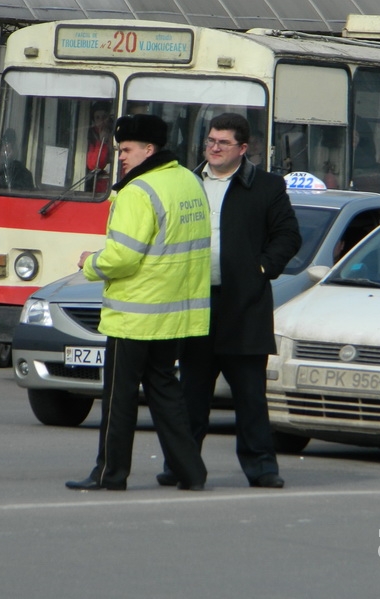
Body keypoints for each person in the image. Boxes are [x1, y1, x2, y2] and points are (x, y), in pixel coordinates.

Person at [65, 114, 211, 492]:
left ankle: (109, 474)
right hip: (175, 313)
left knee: (119, 399)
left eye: (127, 150)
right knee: (166, 392)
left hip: (135, 314)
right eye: (119, 150)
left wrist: (89, 262)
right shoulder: (190, 182)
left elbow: (123, 257)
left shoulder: (138, 190)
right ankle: (191, 471)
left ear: (149, 149)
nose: (121, 158)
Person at [158, 112, 301, 490]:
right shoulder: (187, 183)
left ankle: (261, 467)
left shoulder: (267, 187)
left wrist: (260, 269)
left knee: (250, 395)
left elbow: (288, 236)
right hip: (195, 302)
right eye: (210, 141)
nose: (214, 148)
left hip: (244, 306)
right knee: (191, 394)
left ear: (243, 148)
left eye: (222, 143)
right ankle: (181, 465)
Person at [85, 102, 112, 193]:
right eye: (97, 118)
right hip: (97, 187)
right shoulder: (92, 135)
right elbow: (94, 165)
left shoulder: (116, 134)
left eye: (104, 117)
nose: (101, 121)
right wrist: (102, 142)